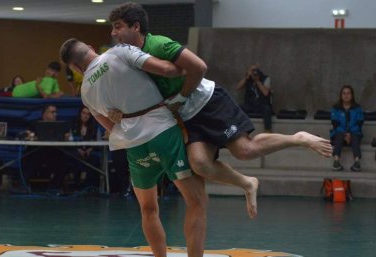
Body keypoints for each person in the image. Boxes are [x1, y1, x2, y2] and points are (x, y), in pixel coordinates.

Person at [108, 1, 332, 218]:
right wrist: (118, 112)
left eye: (118, 27)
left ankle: (298, 138)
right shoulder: (129, 59)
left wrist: (182, 95)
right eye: (112, 28)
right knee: (200, 164)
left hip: (208, 102)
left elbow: (199, 67)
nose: (113, 33)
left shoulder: (159, 45)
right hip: (186, 117)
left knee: (245, 150)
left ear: (135, 26)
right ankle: (247, 183)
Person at [60, 39, 209, 257]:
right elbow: (166, 70)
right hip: (163, 131)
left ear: (76, 69)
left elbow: (110, 126)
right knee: (196, 201)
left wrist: (126, 117)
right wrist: (188, 70)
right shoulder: (119, 52)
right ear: (91, 46)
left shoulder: (86, 93)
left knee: (148, 209)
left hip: (135, 145)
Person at [23, 104, 69, 194]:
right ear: (44, 114)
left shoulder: (61, 125)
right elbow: (28, 136)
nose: (55, 114)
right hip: (37, 153)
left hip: (55, 153)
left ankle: (55, 188)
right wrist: (31, 136)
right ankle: (24, 186)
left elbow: (67, 137)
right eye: (52, 112)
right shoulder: (34, 124)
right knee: (27, 159)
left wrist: (66, 136)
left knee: (63, 161)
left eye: (56, 112)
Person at [330, 85, 364, 172]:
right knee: (339, 134)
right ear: (341, 95)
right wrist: (345, 134)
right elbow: (335, 124)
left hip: (354, 134)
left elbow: (359, 123)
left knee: (355, 136)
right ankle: (336, 161)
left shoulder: (358, 108)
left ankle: (357, 162)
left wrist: (350, 134)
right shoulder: (335, 108)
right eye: (344, 93)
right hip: (339, 134)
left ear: (352, 95)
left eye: (348, 93)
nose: (346, 95)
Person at [236, 64, 273, 132]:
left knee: (267, 109)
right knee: (237, 108)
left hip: (261, 105)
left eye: (255, 70)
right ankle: (237, 131)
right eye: (252, 70)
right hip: (250, 105)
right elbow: (237, 87)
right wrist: (246, 77)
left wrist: (257, 81)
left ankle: (268, 131)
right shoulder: (248, 79)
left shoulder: (265, 78)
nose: (254, 72)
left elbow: (266, 93)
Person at [68, 106, 98, 186]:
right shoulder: (73, 125)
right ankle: (79, 178)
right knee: (74, 155)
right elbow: (70, 140)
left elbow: (96, 141)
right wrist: (78, 149)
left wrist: (90, 149)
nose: (85, 116)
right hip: (76, 150)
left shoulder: (93, 126)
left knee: (95, 158)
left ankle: (89, 185)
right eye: (84, 113)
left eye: (88, 114)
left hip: (88, 151)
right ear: (80, 114)